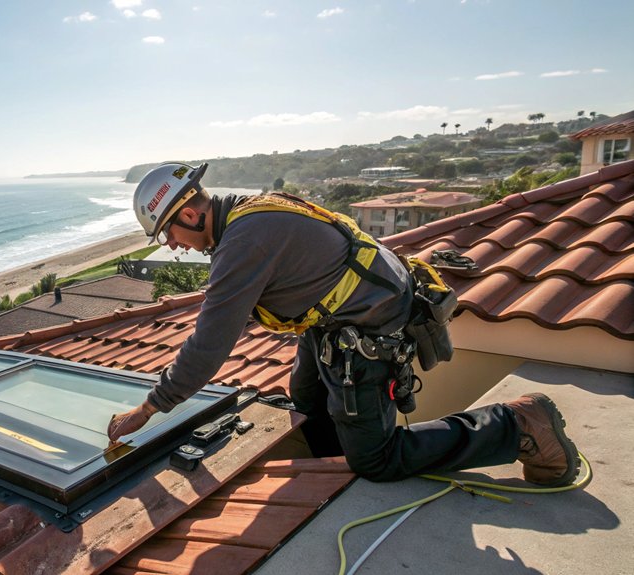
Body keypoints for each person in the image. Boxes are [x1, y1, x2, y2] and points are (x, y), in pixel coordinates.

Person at [107, 161, 580, 486]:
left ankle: (517, 424)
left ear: (190, 212)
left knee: (377, 459)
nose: (172, 245)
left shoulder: (244, 242)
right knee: (308, 403)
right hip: (340, 319)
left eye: (169, 232)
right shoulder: (249, 209)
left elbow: (209, 344)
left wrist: (149, 409)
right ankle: (332, 473)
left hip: (367, 331)